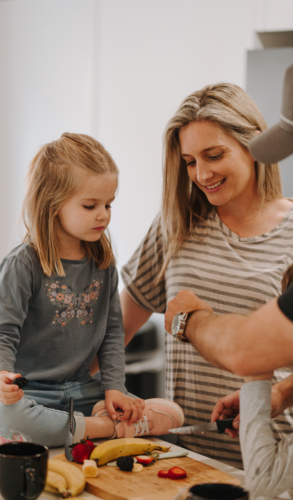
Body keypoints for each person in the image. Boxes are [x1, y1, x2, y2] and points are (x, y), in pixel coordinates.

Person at [120, 82, 293, 469]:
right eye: (190, 161)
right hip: (183, 461)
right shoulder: (175, 225)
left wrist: (281, 392)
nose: (201, 173)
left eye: (214, 155)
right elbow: (115, 332)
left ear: (255, 145)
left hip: (271, 469)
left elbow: (253, 350)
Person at [0, 133, 184, 449]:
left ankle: (83, 426)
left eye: (108, 204)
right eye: (90, 205)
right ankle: (104, 427)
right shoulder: (23, 264)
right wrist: (1, 376)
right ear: (52, 203)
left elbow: (113, 335)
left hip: (82, 390)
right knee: (2, 416)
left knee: (173, 412)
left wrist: (114, 389)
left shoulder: (102, 264)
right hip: (31, 392)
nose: (103, 214)